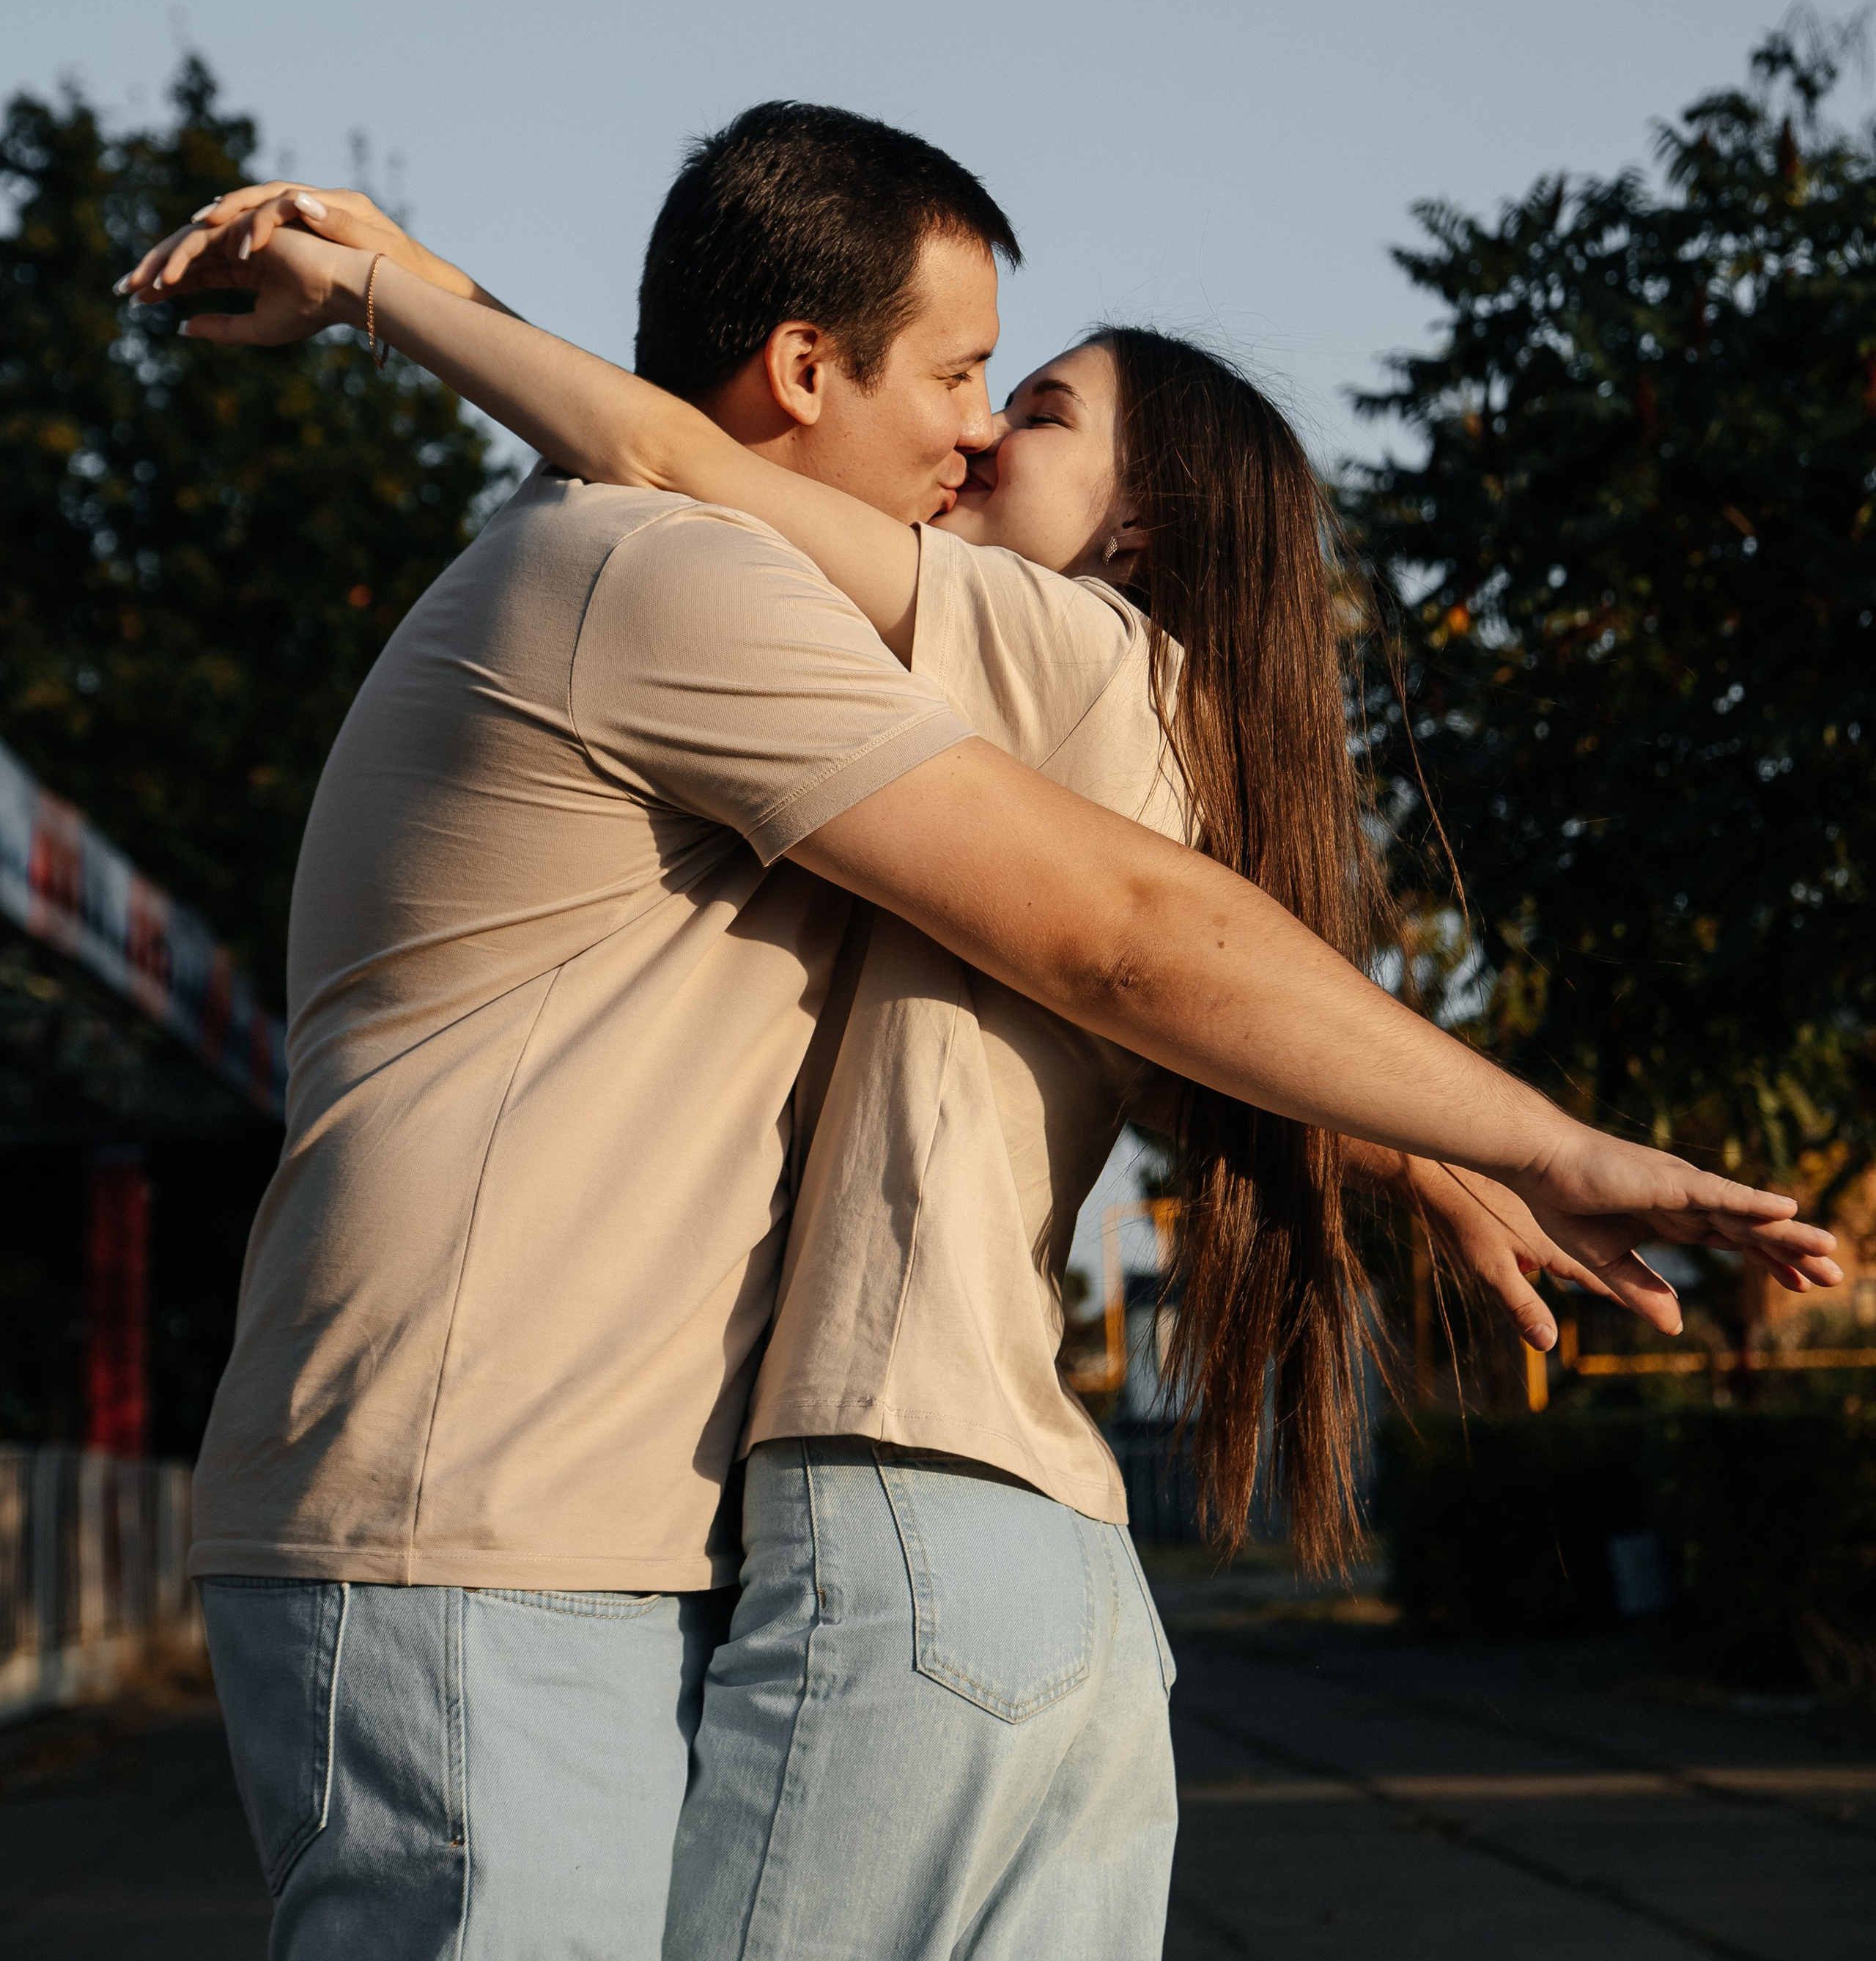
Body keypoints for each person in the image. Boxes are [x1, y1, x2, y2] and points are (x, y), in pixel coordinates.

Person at [121, 117, 1833, 1961]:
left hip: (615, 1523)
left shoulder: (921, 633)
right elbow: (1114, 926)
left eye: (1022, 403)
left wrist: (405, 295)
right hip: (487, 1525)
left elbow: (1118, 922)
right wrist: (1469, 1140)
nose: (970, 432)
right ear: (803, 364)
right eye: (959, 376)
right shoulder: (673, 580)